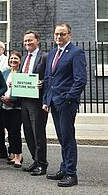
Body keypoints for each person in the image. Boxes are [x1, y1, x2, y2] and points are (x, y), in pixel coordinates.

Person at [43, 22, 87, 187]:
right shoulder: (53, 53)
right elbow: (49, 79)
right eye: (56, 34)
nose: (58, 37)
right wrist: (46, 100)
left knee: (68, 137)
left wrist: (69, 98)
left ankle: (71, 173)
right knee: (62, 137)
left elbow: (80, 79)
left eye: (62, 34)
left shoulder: (76, 53)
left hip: (66, 103)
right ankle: (64, 167)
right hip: (54, 102)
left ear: (69, 35)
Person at [20, 30, 49, 176]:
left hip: (37, 101)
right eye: (25, 41)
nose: (27, 43)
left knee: (38, 133)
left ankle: (42, 164)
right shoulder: (25, 57)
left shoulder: (44, 56)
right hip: (24, 100)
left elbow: (50, 77)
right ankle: (35, 160)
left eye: (30, 40)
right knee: (28, 133)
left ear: (37, 40)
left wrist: (43, 83)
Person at [0, 51, 23, 168]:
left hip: (16, 107)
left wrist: (11, 99)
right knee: (9, 132)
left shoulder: (22, 73)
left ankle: (18, 156)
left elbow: (23, 90)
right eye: (11, 58)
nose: (13, 61)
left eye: (16, 59)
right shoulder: (5, 72)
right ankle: (13, 153)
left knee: (15, 132)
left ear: (20, 61)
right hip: (4, 106)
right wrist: (2, 98)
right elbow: (0, 87)